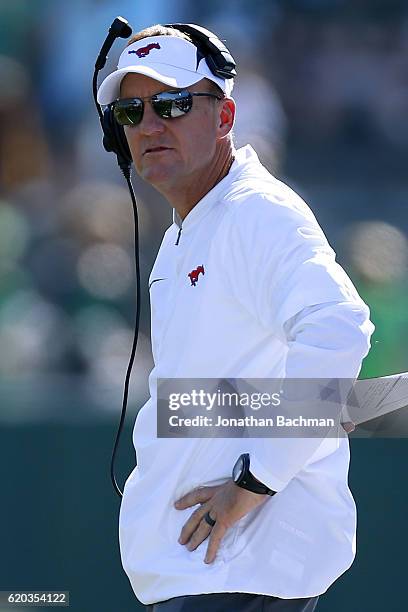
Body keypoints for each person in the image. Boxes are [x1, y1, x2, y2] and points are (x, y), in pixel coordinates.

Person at [97, 24, 374, 612]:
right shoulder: (191, 229)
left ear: (224, 117)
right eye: (130, 111)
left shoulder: (256, 213)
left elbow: (339, 329)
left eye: (172, 104)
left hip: (241, 574)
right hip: (210, 576)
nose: (148, 126)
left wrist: (256, 482)